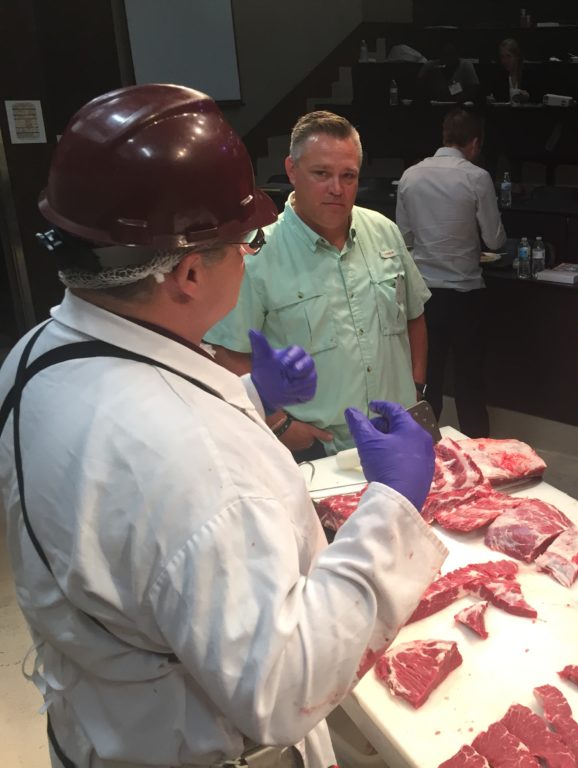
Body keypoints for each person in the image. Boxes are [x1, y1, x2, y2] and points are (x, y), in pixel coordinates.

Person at [0, 84, 446, 768]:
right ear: (186, 271)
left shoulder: (33, 356)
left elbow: (131, 474)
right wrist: (391, 508)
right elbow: (285, 685)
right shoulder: (194, 457)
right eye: (245, 244)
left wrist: (248, 392)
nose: (250, 255)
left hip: (99, 727)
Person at [206, 111, 430, 459]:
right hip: (320, 447)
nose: (337, 189)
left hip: (396, 434)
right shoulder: (256, 252)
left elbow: (414, 316)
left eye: (348, 176)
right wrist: (278, 423)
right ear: (292, 170)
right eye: (321, 174)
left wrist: (416, 387)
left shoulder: (384, 231)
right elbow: (228, 354)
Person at [396, 108, 506, 437]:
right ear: (474, 143)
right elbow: (494, 239)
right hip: (466, 294)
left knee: (426, 378)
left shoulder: (410, 176)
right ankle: (479, 455)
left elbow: (403, 239)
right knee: (469, 380)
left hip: (424, 295)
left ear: (443, 137)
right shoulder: (476, 177)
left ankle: (422, 454)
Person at [416, 42, 481, 104]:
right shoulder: (430, 65)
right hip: (433, 105)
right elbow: (418, 89)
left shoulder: (465, 65)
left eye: (451, 53)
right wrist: (429, 76)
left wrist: (456, 96)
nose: (448, 58)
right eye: (444, 54)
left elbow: (473, 90)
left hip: (458, 106)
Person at [490, 38, 532, 104]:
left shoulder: (528, 74)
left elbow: (538, 98)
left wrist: (528, 97)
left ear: (516, 56)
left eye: (508, 56)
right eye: (502, 57)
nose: (505, 61)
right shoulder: (499, 76)